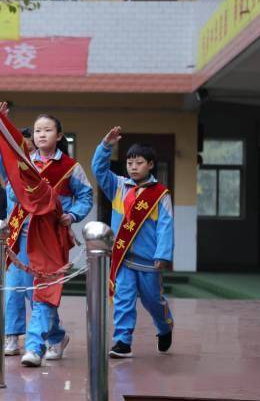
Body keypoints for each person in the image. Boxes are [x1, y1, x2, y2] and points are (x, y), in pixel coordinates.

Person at [0, 104, 93, 367]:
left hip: (50, 238)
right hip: (19, 236)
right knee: (16, 289)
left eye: (47, 130)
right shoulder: (22, 164)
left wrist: (73, 215)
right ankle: (46, 336)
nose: (41, 134)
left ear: (59, 136)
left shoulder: (70, 168)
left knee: (43, 292)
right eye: (37, 130)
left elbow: (86, 196)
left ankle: (34, 347)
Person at [92, 126, 174, 359]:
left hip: (150, 261)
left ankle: (165, 326)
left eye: (138, 163)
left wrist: (163, 255)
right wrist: (106, 146)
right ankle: (123, 341)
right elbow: (98, 170)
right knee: (123, 299)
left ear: (150, 164)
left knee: (153, 301)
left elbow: (165, 227)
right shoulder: (118, 186)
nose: (133, 167)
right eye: (129, 163)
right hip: (124, 258)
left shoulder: (160, 194)